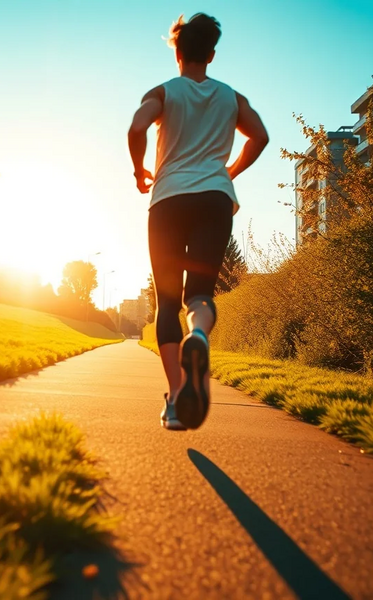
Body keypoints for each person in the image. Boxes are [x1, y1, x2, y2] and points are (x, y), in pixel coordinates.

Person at [127, 13, 268, 431]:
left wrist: (139, 170)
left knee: (167, 301)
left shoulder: (164, 92)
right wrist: (230, 172)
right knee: (200, 294)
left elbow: (137, 126)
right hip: (214, 200)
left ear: (177, 52)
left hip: (168, 200)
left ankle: (175, 399)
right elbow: (259, 136)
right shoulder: (231, 98)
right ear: (210, 54)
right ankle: (200, 337)